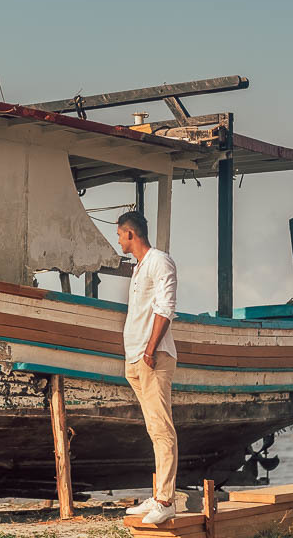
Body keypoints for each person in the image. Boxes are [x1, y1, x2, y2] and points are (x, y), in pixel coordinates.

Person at [117, 211, 179, 525]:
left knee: (162, 430)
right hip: (137, 359)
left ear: (130, 234)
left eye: (119, 234)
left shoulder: (159, 262)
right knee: (154, 430)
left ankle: (166, 501)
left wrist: (150, 350)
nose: (118, 239)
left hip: (152, 358)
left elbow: (165, 308)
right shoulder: (140, 268)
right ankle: (158, 496)